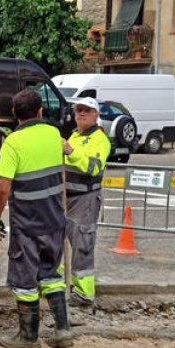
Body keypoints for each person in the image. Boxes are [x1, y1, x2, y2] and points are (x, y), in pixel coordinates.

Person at [0, 89, 74, 348]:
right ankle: (63, 331)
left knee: (25, 279)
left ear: (14, 114)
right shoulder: (52, 134)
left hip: (27, 222)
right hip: (54, 218)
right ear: (40, 112)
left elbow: (3, 187)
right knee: (51, 274)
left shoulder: (13, 143)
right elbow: (68, 149)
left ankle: (28, 336)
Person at [61, 96, 111, 307]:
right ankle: (60, 288)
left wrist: (71, 152)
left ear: (96, 115)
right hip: (67, 198)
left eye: (86, 111)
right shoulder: (74, 136)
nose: (81, 113)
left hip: (85, 198)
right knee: (59, 243)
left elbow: (93, 167)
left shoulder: (99, 139)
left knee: (82, 246)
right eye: (78, 110)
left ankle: (84, 294)